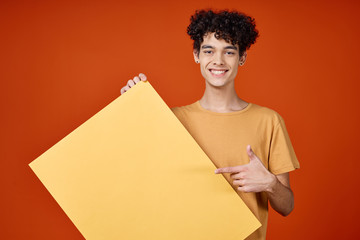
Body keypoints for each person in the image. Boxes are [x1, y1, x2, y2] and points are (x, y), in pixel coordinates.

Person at [120, 9, 299, 240]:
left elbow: (287, 207)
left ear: (242, 57)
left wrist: (270, 184)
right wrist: (129, 110)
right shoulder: (170, 120)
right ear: (197, 55)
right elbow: (134, 177)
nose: (218, 60)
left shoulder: (269, 121)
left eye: (229, 51)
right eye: (209, 50)